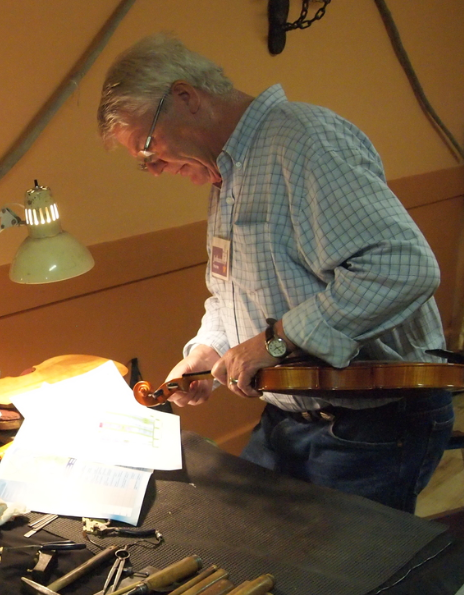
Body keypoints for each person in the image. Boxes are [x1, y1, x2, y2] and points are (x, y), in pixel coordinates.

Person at [98, 33, 455, 513]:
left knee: (351, 563)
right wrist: (209, 350)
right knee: (239, 532)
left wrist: (274, 343)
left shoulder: (304, 140)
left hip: (371, 421)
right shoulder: (230, 171)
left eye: (148, 147)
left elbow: (401, 268)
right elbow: (230, 293)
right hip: (290, 415)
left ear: (186, 97)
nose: (155, 168)